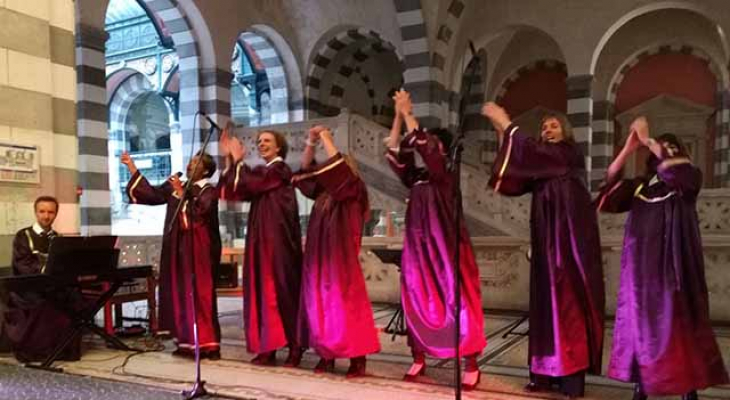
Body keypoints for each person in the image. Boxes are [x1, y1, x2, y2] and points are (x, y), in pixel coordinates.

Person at [597, 117, 729, 400]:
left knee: (678, 325)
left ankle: (687, 387)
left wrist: (650, 141)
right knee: (643, 329)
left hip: (675, 267)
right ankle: (642, 384)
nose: (661, 151)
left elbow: (679, 172)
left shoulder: (687, 177)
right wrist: (629, 148)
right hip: (642, 272)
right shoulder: (641, 187)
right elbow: (608, 197)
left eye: (669, 147)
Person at [482, 102, 605, 398]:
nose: (547, 130)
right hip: (546, 244)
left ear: (565, 131)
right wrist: (503, 135)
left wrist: (507, 122)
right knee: (544, 306)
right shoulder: (543, 162)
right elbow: (513, 178)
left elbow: (535, 155)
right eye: (544, 127)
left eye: (553, 126)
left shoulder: (568, 154)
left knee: (568, 305)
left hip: (570, 246)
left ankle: (572, 379)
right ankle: (545, 373)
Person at [385, 89, 486, 390]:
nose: (427, 149)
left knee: (458, 300)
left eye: (434, 145)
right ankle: (418, 356)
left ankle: (469, 360)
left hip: (447, 250)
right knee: (415, 298)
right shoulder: (416, 178)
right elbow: (396, 151)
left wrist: (408, 114)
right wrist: (397, 116)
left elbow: (427, 149)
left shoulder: (447, 173)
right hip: (419, 251)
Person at [292, 125, 380, 378]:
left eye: (331, 167)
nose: (326, 173)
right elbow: (302, 175)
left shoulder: (353, 188)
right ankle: (326, 354)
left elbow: (339, 173)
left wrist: (328, 140)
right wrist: (310, 142)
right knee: (320, 306)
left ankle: (357, 358)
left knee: (346, 307)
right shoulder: (323, 192)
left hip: (341, 259)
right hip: (319, 258)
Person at [218, 126, 305, 367]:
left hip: (278, 242)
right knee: (262, 294)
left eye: (267, 140)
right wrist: (230, 159)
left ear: (279, 147)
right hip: (260, 240)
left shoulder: (279, 170)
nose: (261, 144)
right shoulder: (262, 173)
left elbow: (252, 183)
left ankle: (295, 346)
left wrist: (238, 160)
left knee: (284, 293)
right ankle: (268, 346)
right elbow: (235, 190)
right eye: (259, 141)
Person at [123, 151, 222, 359]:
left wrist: (180, 193)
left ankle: (208, 344)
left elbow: (199, 216)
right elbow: (152, 194)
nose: (189, 165)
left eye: (195, 162)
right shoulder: (180, 186)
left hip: (199, 249)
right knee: (181, 293)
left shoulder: (208, 190)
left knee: (200, 294)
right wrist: (131, 167)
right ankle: (186, 342)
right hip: (177, 248)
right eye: (190, 161)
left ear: (205, 169)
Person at [4, 196, 81, 362]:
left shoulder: (58, 238)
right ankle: (37, 352)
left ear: (56, 214)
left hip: (52, 286)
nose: (46, 216)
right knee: (44, 302)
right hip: (29, 288)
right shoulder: (23, 236)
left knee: (73, 297)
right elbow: (23, 266)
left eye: (51, 212)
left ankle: (65, 350)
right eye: (42, 211)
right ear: (35, 212)